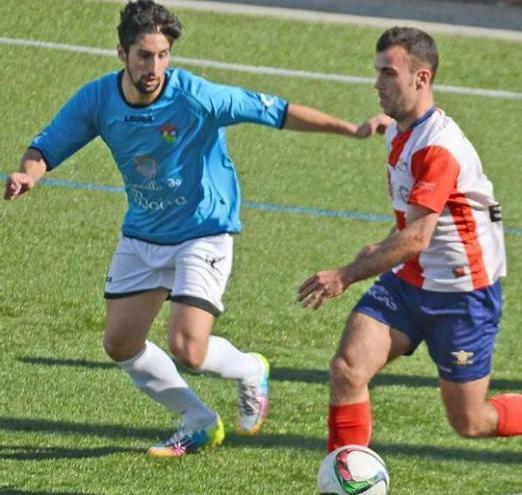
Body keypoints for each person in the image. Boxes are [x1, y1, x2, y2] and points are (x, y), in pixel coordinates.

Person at [4, 0, 390, 457]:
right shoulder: (98, 99)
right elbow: (48, 144)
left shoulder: (195, 96)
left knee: (188, 346)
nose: (155, 66)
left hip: (202, 230)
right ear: (121, 53)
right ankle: (199, 419)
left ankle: (250, 369)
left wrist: (351, 130)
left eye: (163, 55)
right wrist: (30, 173)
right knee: (120, 344)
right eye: (145, 55)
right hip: (143, 232)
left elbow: (274, 111)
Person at [297, 26, 522, 485]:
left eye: (388, 74)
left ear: (422, 78)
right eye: (376, 72)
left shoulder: (437, 147)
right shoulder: (402, 127)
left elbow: (417, 236)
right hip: (409, 281)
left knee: (470, 421)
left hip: (462, 296)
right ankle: (346, 481)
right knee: (347, 369)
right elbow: (414, 245)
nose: (377, 84)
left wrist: (346, 273)